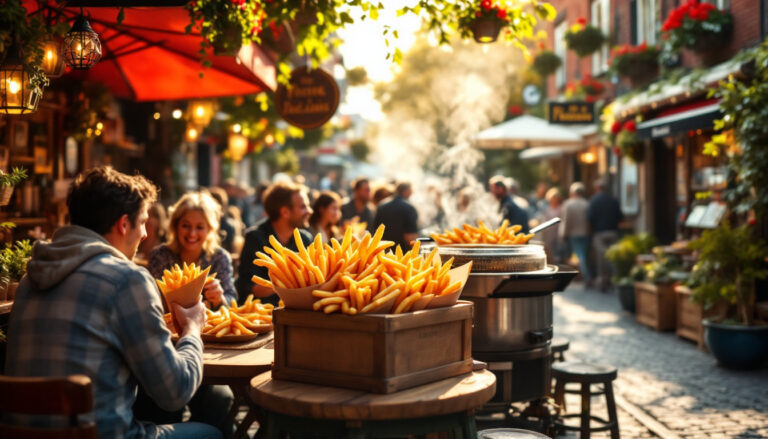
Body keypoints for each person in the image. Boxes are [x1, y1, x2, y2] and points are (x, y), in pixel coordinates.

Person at [4, 166, 220, 438]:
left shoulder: (28, 280)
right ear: (123, 224)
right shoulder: (126, 280)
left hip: (19, 435)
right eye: (142, 222)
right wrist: (192, 329)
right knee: (212, 432)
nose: (144, 234)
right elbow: (175, 392)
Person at [148, 191, 237, 310]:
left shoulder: (220, 257)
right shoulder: (160, 256)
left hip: (211, 327)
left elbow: (232, 301)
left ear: (209, 229)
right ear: (175, 225)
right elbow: (150, 301)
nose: (192, 234)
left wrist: (220, 298)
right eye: (186, 226)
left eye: (199, 227)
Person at [235, 181, 314, 304]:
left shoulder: (306, 239)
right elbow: (249, 287)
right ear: (285, 212)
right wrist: (288, 281)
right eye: (303, 207)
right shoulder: (255, 237)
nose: (309, 211)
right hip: (260, 315)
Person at [588, 178, 624, 291]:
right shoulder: (613, 200)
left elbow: (590, 218)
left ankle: (604, 282)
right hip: (613, 232)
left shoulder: (594, 201)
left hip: (599, 233)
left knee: (602, 259)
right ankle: (616, 280)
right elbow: (620, 217)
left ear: (597, 188)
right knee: (613, 257)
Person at [560, 182, 592, 285]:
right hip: (585, 233)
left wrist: (563, 234)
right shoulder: (587, 203)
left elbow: (566, 220)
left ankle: (586, 276)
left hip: (574, 233)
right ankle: (583, 275)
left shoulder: (568, 204)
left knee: (579, 257)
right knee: (583, 255)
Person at [373, 182, 418, 251]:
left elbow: (375, 232)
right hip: (402, 255)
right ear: (406, 191)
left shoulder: (382, 205)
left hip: (383, 253)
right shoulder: (409, 207)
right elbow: (410, 238)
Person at [542, 187, 564, 264]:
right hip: (549, 233)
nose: (554, 199)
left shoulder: (561, 208)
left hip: (558, 232)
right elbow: (544, 221)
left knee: (558, 251)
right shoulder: (547, 209)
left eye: (556, 197)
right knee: (550, 251)